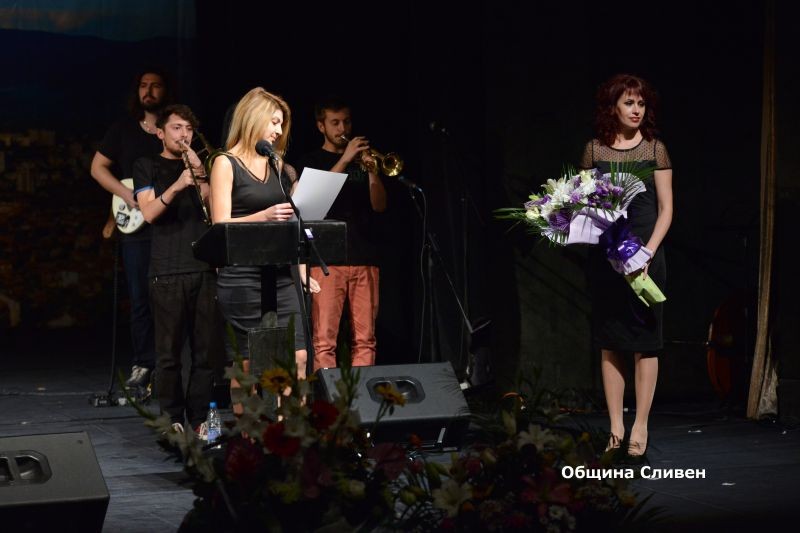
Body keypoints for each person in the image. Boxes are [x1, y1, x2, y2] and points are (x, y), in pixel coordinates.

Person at [580, 74, 673, 458]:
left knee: (645, 343)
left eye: (641, 104)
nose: (636, 110)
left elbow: (666, 209)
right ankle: (616, 428)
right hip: (608, 258)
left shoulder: (655, 149)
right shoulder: (594, 150)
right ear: (613, 107)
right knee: (611, 343)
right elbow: (584, 205)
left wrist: (646, 253)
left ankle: (641, 426)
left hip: (645, 257)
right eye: (629, 103)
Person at [209, 87, 319, 409]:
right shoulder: (225, 163)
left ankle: (288, 430)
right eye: (274, 122)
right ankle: (250, 434)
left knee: (298, 357)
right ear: (253, 118)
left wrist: (301, 272)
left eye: (281, 124)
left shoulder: (277, 164)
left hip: (280, 275)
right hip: (242, 277)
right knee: (247, 366)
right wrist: (263, 216)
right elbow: (220, 224)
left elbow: (291, 223)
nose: (278, 131)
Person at [132, 104, 220, 437]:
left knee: (205, 353)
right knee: (168, 354)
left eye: (188, 129)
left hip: (203, 268)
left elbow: (214, 210)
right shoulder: (146, 165)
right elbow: (149, 213)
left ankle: (200, 418)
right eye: (176, 128)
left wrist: (200, 174)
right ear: (160, 132)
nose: (184, 135)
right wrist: (178, 184)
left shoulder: (199, 168)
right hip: (166, 271)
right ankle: (172, 419)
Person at [91, 68, 173, 390]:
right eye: (143, 85)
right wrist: (126, 194)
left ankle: (170, 362)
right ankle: (144, 362)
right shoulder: (123, 129)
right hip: (137, 227)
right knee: (139, 298)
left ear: (166, 91)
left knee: (169, 298)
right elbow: (97, 167)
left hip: (169, 225)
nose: (148, 91)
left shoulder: (173, 129)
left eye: (155, 85)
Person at [295, 96, 387, 371]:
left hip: (364, 256)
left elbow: (379, 206)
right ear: (320, 126)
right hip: (326, 261)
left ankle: (362, 397)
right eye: (334, 122)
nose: (342, 128)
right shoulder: (310, 161)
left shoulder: (362, 162)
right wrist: (345, 160)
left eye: (346, 121)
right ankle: (328, 397)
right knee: (324, 341)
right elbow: (313, 205)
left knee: (366, 340)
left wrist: (372, 172)